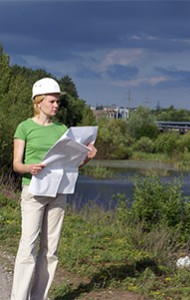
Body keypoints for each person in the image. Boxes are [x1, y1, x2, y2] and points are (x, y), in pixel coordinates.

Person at [11, 77, 97, 300]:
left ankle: (39, 297)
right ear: (38, 101)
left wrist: (87, 158)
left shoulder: (63, 130)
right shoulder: (25, 127)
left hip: (58, 192)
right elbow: (16, 165)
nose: (56, 105)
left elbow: (71, 164)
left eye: (57, 101)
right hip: (34, 192)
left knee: (50, 250)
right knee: (27, 247)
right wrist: (30, 167)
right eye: (52, 101)